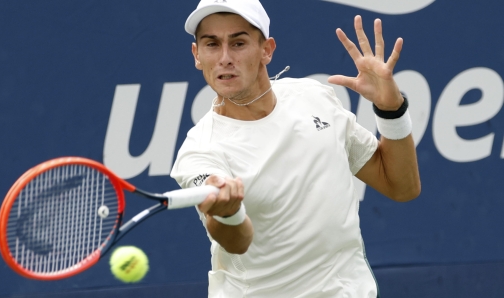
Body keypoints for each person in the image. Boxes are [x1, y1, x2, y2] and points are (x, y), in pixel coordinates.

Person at [170, 0, 421, 296]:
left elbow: (401, 186)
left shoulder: (314, 97)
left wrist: (391, 110)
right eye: (211, 44)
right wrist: (227, 213)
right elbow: (237, 241)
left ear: (267, 50)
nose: (225, 58)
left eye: (238, 43)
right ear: (197, 55)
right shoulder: (199, 152)